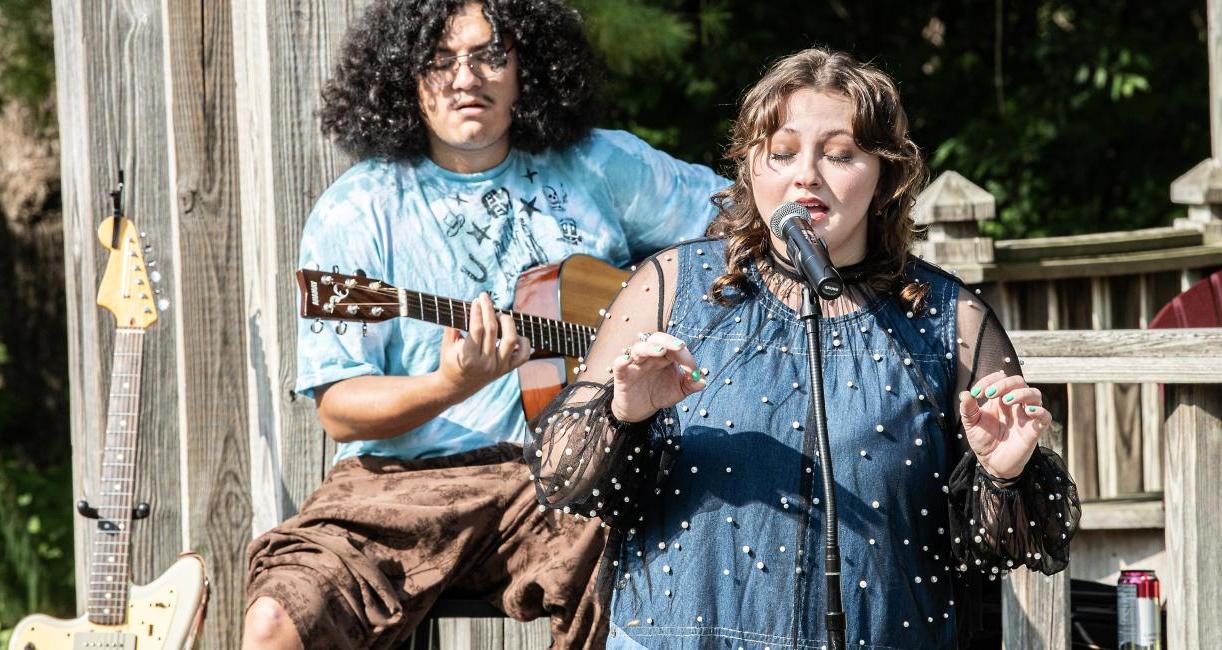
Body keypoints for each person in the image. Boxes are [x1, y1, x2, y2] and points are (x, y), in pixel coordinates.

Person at [526, 47, 1082, 649]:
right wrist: (623, 416)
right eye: (783, 153)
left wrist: (1002, 477)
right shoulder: (667, 286)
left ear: (886, 175)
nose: (806, 174)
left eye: (839, 155)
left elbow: (993, 551)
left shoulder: (953, 319)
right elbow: (566, 482)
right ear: (750, 169)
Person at [241, 1, 727, 648]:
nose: (466, 77)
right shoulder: (358, 209)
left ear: (528, 67)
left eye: (490, 55)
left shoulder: (599, 166)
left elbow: (742, 226)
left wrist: (670, 323)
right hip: (397, 485)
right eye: (441, 60)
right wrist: (449, 385)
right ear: (404, 77)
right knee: (280, 617)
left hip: (570, 472)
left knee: (657, 569)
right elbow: (341, 409)